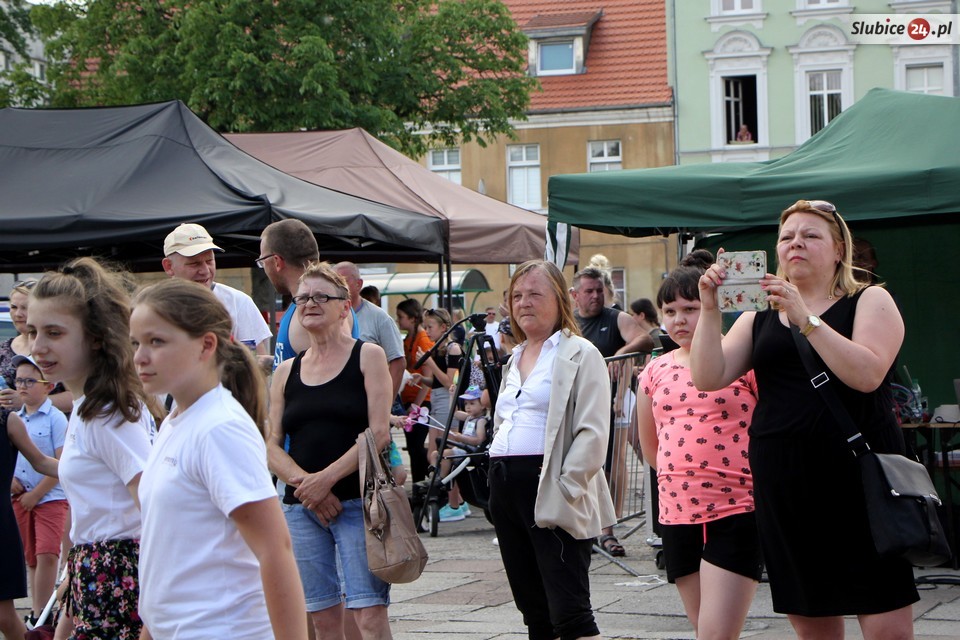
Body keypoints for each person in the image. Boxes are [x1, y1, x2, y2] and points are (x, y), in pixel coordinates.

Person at [692, 199, 918, 639]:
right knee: (813, 619)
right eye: (787, 237)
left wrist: (805, 318)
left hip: (860, 480)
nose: (795, 243)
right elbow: (708, 375)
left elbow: (868, 374)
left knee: (886, 623)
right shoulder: (759, 314)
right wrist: (710, 308)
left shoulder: (870, 299)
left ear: (839, 250)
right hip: (786, 482)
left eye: (811, 235)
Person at [130, 278, 307, 640]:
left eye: (156, 341)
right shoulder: (177, 421)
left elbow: (275, 549)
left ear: (206, 344)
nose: (140, 357)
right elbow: (170, 553)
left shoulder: (219, 427)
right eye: (135, 342)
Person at [27, 257, 159, 640]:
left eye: (54, 333)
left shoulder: (105, 413)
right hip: (98, 573)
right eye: (33, 331)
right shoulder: (89, 407)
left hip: (120, 577)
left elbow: (155, 503)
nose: (38, 347)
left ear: (96, 337)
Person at [636, 251, 762, 639]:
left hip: (737, 508)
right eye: (670, 310)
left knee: (716, 632)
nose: (679, 319)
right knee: (701, 626)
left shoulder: (741, 359)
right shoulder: (654, 370)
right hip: (677, 511)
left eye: (689, 309)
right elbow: (650, 446)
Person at [488, 259, 615, 640]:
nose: (523, 303)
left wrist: (565, 487)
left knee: (570, 610)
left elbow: (594, 432)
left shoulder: (581, 353)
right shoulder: (514, 358)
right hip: (506, 486)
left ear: (560, 299)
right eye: (517, 296)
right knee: (533, 609)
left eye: (534, 294)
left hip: (550, 485)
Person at [266, 262, 394, 640]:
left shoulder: (368, 356)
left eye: (321, 296)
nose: (310, 303)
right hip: (302, 508)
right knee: (322, 620)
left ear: (344, 306)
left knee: (369, 614)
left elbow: (379, 433)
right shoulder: (285, 372)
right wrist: (308, 486)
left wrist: (327, 480)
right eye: (302, 298)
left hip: (359, 504)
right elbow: (270, 444)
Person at [571, 266, 654, 556]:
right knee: (580, 466)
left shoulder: (615, 317)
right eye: (589, 291)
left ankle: (607, 530)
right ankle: (582, 528)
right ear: (575, 295)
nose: (595, 296)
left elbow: (645, 338)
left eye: (599, 290)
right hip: (577, 405)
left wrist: (620, 353)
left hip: (613, 402)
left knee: (612, 463)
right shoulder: (567, 322)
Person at [162, 223, 273, 366]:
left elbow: (257, 367)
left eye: (209, 261)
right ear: (169, 266)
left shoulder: (238, 302)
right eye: (194, 264)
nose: (205, 271)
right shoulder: (154, 307)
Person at [10, 354, 69, 624]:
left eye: (30, 381)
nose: (22, 386)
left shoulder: (56, 419)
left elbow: (61, 463)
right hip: (20, 498)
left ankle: (42, 615)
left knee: (47, 553)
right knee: (31, 557)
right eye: (19, 381)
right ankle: (37, 611)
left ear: (49, 386)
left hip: (50, 497)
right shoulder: (13, 419)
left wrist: (37, 493)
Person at [258, 219, 361, 368]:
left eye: (262, 261)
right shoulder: (313, 307)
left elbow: (339, 368)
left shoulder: (316, 310)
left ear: (277, 261)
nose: (264, 268)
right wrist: (271, 363)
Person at [0, 279, 73, 413]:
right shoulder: (3, 349)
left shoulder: (55, 348)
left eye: (25, 307)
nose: (18, 314)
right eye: (14, 307)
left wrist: (29, 402)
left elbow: (76, 397)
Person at [429, 384, 488, 522]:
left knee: (446, 453)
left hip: (469, 450)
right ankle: (435, 474)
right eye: (466, 403)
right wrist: (452, 396)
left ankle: (442, 478)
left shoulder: (481, 421)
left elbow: (479, 439)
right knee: (434, 454)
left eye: (472, 403)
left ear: (482, 406)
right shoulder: (468, 417)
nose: (468, 407)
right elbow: (454, 413)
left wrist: (462, 438)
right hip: (461, 447)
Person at [396, 298, 434, 483]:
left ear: (412, 318)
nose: (398, 321)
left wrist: (416, 405)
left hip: (421, 402)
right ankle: (420, 484)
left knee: (417, 447)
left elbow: (428, 378)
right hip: (409, 400)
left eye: (401, 317)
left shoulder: (422, 340)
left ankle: (427, 480)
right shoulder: (409, 339)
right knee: (412, 448)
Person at [418, 308, 463, 429]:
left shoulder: (453, 349)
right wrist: (422, 378)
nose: (427, 331)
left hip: (447, 400)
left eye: (430, 327)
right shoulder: (436, 349)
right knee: (434, 440)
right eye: (425, 327)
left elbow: (449, 383)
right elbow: (436, 382)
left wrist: (430, 362)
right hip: (436, 398)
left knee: (444, 438)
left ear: (443, 327)